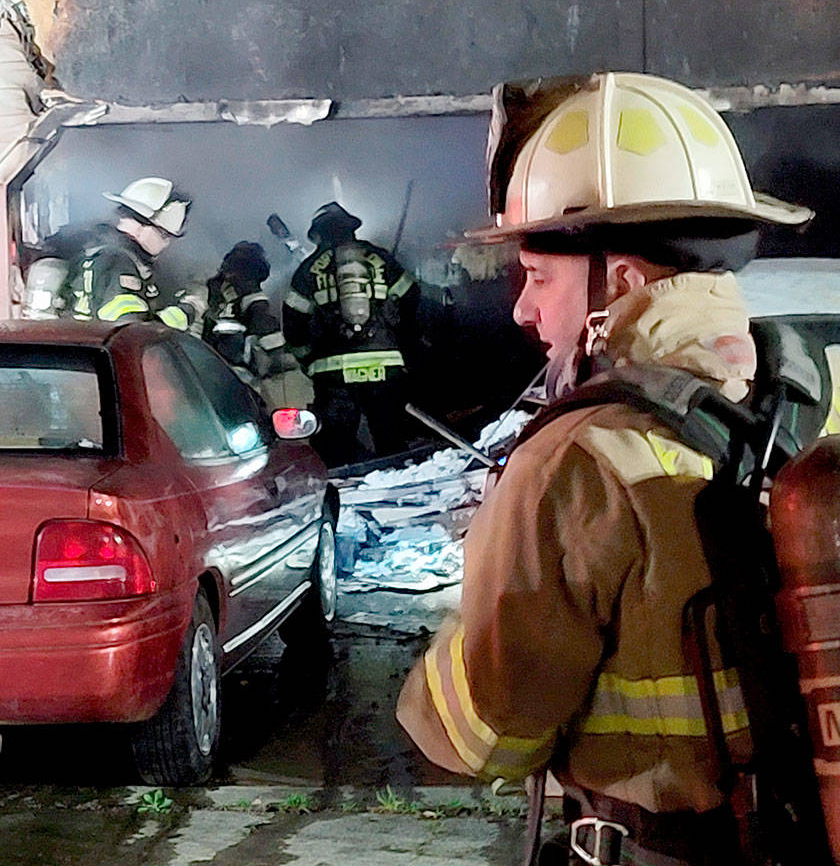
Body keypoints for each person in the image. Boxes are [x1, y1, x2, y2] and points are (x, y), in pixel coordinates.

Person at [396, 72, 814, 865]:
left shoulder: (580, 458)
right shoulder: (794, 402)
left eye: (540, 277)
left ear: (619, 280)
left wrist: (491, 569)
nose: (524, 310)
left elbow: (482, 737)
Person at [282, 201, 418, 466]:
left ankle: (342, 494)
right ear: (352, 229)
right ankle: (402, 487)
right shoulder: (380, 259)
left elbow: (293, 323)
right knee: (391, 440)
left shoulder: (308, 270)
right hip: (385, 364)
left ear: (318, 234)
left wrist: (306, 358)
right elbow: (412, 295)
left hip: (332, 371)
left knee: (334, 446)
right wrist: (400, 337)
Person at [22, 176, 191, 328]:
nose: (167, 243)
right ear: (142, 227)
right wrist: (188, 310)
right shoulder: (116, 261)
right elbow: (134, 331)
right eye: (164, 235)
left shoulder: (96, 249)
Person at [199, 241, 293, 384]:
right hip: (229, 380)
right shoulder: (253, 303)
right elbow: (277, 354)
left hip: (210, 378)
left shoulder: (212, 295)